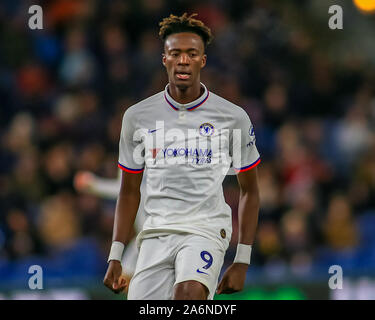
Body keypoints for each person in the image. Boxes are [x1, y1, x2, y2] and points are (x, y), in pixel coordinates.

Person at [103, 13, 261, 300]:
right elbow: (128, 192)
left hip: (206, 229)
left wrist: (242, 260)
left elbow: (250, 190)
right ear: (164, 58)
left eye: (192, 53)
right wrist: (115, 254)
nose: (183, 60)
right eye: (175, 53)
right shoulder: (137, 117)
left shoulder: (233, 117)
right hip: (154, 235)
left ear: (203, 60)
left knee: (188, 295)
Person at [74, 170, 146, 291]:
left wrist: (93, 184)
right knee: (125, 278)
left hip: (161, 235)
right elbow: (125, 187)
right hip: (146, 237)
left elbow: (126, 188)